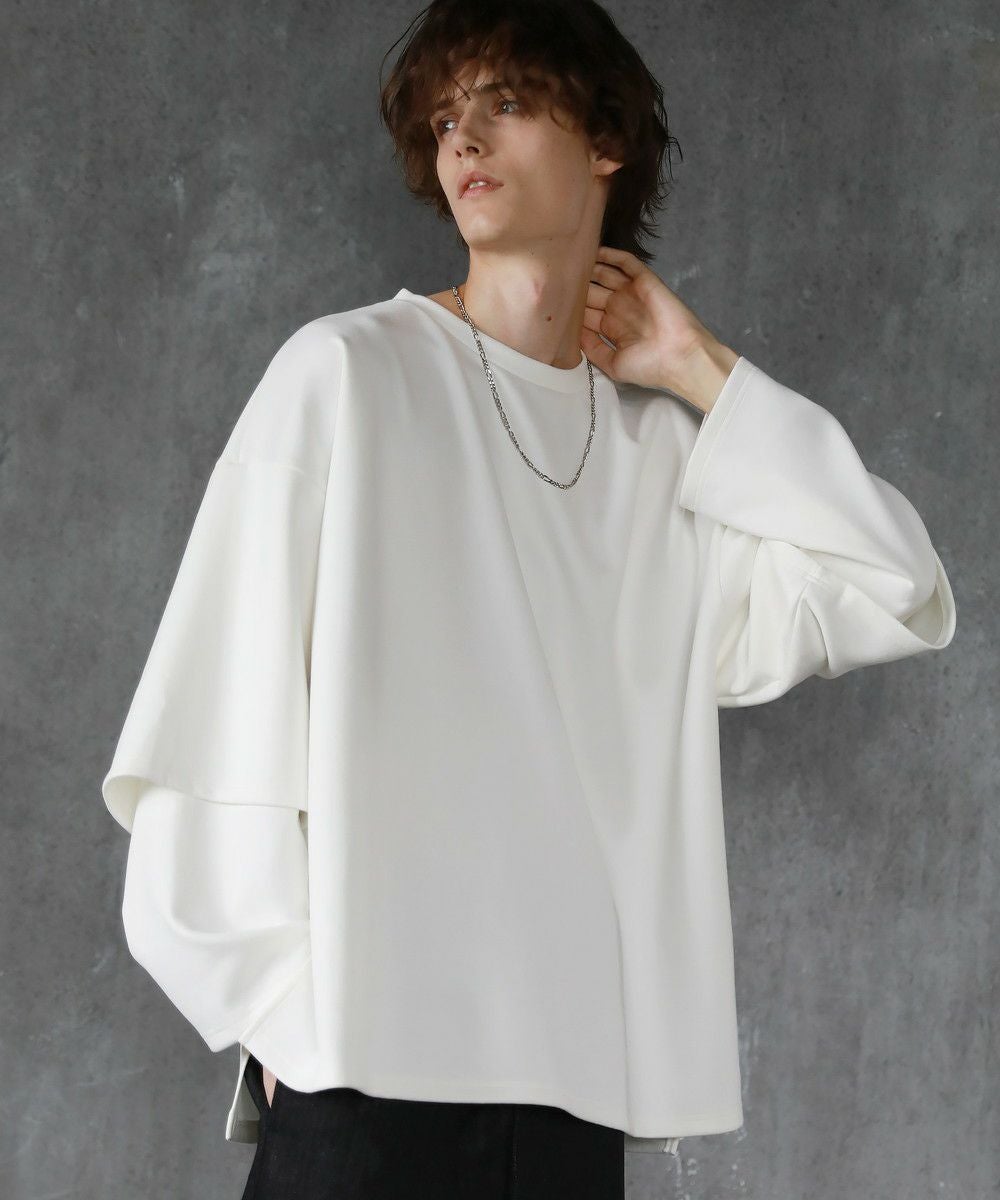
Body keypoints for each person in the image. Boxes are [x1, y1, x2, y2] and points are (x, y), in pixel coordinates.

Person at [101, 1, 957, 1197]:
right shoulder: (344, 377)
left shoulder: (664, 456)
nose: (462, 141)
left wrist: (700, 371)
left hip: (569, 1114)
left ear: (604, 139)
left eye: (503, 102)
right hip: (363, 1095)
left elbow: (894, 582)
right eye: (445, 117)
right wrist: (292, 1025)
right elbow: (212, 735)